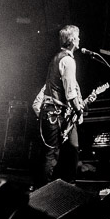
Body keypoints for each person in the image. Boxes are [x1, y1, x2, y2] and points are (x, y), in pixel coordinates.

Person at [34, 24, 86, 187]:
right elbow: (70, 93)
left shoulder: (57, 58)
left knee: (66, 150)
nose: (79, 39)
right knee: (51, 154)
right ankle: (42, 192)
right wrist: (79, 110)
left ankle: (63, 186)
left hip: (51, 112)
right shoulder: (68, 61)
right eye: (77, 37)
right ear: (72, 40)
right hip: (54, 112)